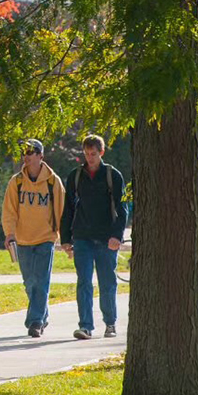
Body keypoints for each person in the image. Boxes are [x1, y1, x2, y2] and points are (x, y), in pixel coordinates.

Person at [60, 134, 126, 340]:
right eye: (87, 154)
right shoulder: (76, 176)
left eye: (94, 154)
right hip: (82, 237)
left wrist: (117, 236)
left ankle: (110, 323)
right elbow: (68, 208)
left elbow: (122, 208)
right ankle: (86, 326)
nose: (90, 158)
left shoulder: (112, 175)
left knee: (107, 282)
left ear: (102, 153)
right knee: (84, 282)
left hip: (107, 238)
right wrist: (65, 238)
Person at [0, 139, 65, 338]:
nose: (27, 156)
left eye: (31, 152)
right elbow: (9, 210)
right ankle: (42, 316)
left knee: (41, 281)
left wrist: (65, 238)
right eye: (25, 153)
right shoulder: (16, 182)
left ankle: (35, 321)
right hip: (23, 239)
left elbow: (61, 210)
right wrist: (10, 233)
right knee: (29, 282)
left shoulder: (53, 181)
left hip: (46, 237)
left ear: (40, 156)